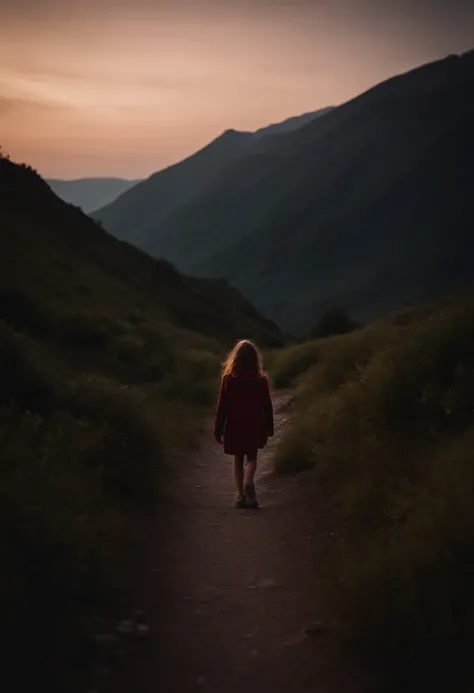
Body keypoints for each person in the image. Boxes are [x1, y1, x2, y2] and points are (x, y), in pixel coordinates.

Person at [213, 339, 274, 508]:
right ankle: (249, 481)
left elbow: (222, 406)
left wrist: (218, 429)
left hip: (234, 424)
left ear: (236, 358)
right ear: (255, 359)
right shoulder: (261, 380)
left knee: (238, 458)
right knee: (252, 457)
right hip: (254, 424)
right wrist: (269, 427)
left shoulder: (229, 379)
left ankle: (240, 495)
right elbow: (267, 406)